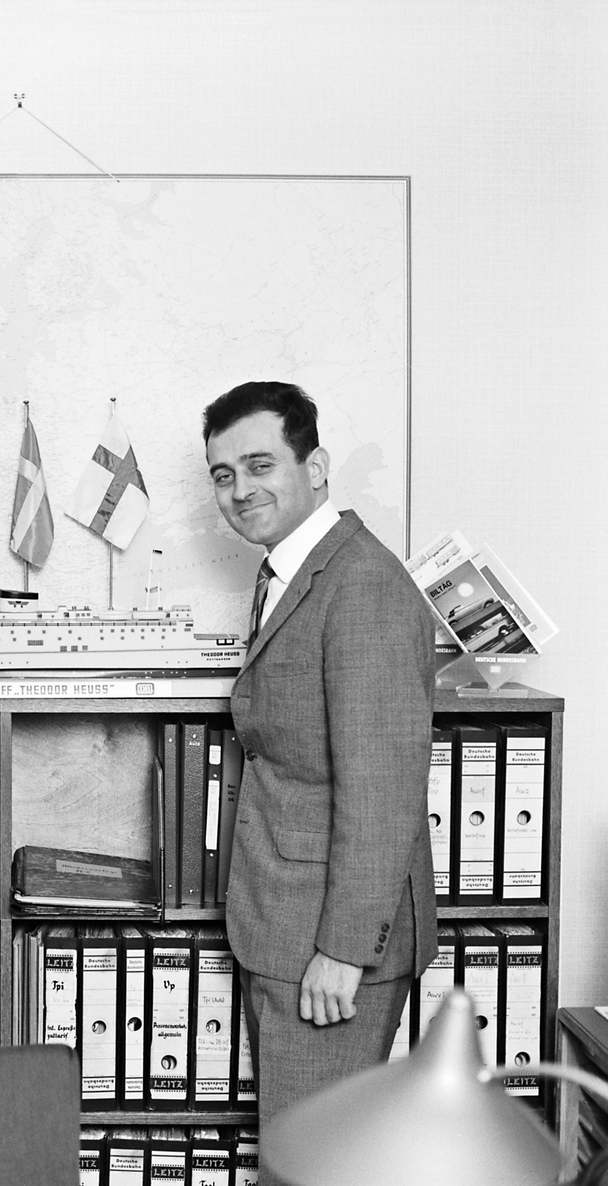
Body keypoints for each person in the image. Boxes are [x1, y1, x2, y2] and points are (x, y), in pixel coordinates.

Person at [202, 381, 437, 1127]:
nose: (241, 490)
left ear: (317, 467)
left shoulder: (363, 586)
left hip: (327, 948)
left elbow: (383, 791)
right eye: (223, 474)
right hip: (284, 923)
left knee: (313, 1166)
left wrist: (343, 951)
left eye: (260, 465)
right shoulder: (293, 571)